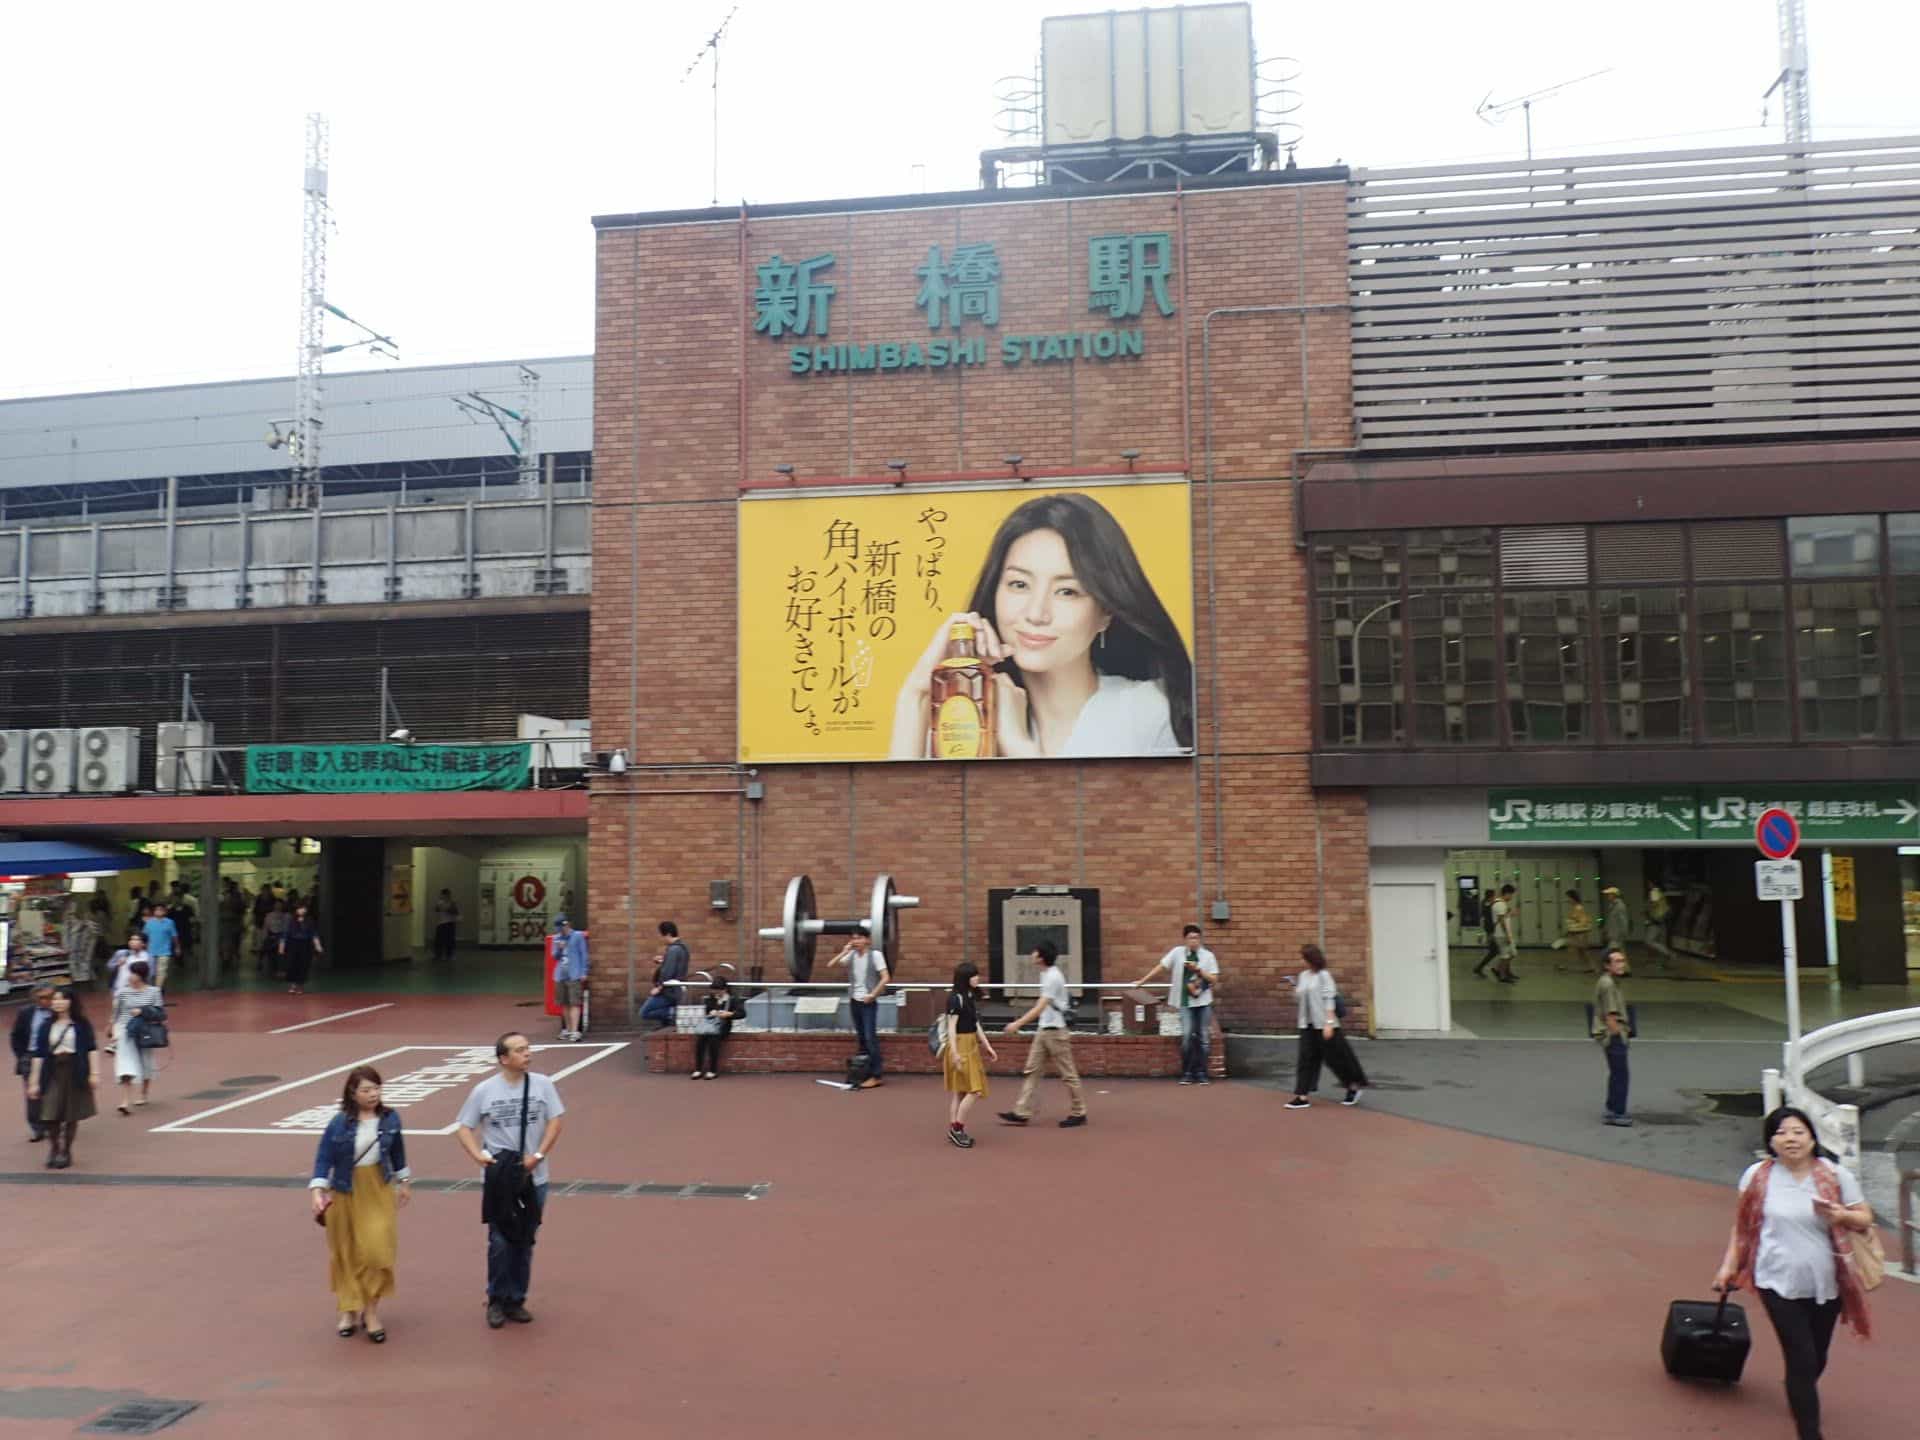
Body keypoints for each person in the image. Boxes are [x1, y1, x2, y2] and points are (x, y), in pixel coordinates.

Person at [889, 491, 1194, 759]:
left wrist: (1018, 746)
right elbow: (901, 820)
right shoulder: (962, 721)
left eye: (1067, 591)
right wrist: (915, 694)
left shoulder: (1146, 713)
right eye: (1019, 584)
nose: (1036, 613)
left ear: (1106, 613)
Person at [1712, 1106, 1875, 1440]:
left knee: (1817, 1357)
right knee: (1800, 1357)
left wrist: (1841, 1215)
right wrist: (1729, 1267)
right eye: (1781, 1133)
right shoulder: (1757, 1176)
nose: (1790, 1139)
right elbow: (1742, 1228)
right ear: (1771, 1141)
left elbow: (1865, 1219)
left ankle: (1800, 1393)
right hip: (1775, 1280)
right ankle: (1809, 1431)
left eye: (1798, 1132)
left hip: (1826, 1283)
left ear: (1813, 1138)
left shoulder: (1833, 1175)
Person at [454, 1033, 567, 1330]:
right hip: (500, 1178)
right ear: (504, 1059)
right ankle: (496, 1298)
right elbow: (464, 1127)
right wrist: (479, 1156)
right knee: (499, 1240)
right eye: (519, 1050)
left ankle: (517, 1298)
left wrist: (539, 1154)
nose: (527, 1054)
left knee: (526, 1238)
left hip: (535, 1177)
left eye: (528, 1048)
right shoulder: (484, 1090)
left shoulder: (543, 1085)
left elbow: (555, 1121)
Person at [309, 1065, 411, 1342]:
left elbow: (398, 1151)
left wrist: (404, 1181)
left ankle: (371, 1309)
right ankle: (349, 1309)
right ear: (352, 1093)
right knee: (346, 1251)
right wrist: (318, 1190)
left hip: (377, 1187)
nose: (373, 1094)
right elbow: (323, 1158)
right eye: (366, 1090)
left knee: (378, 1250)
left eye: (377, 1088)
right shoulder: (339, 1123)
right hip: (344, 1190)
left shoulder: (390, 1119)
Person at [997, 941, 1087, 1128]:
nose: (1032, 954)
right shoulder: (1046, 974)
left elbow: (1040, 1006)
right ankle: (1021, 1112)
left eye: (1035, 952)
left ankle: (1079, 1112)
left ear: (1041, 957)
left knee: (1068, 1074)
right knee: (1032, 1071)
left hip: (1055, 1032)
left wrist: (1017, 1024)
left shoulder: (1053, 977)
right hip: (1044, 1030)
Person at [1133, 923, 1221, 1084]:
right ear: (1185, 940)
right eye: (1190, 938)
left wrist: (1198, 970)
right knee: (1187, 1035)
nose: (1193, 941)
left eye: (1196, 938)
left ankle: (1201, 1073)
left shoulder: (1208, 956)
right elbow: (1161, 966)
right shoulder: (1177, 953)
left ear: (1200, 939)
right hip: (1184, 1003)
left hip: (1203, 1002)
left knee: (1204, 1037)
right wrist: (1143, 981)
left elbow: (1214, 979)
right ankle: (1187, 1072)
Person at [1284, 944, 1368, 1110]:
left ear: (1311, 959)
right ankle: (1302, 1096)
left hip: (1325, 1025)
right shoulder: (1303, 975)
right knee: (1306, 1059)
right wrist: (1295, 988)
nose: (1301, 961)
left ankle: (1353, 1086)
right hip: (1307, 1024)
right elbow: (1300, 998)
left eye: (1303, 958)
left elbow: (1329, 999)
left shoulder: (1324, 976)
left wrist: (1329, 1023)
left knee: (1337, 1059)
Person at [26, 987, 99, 1170]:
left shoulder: (81, 1024)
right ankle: (54, 1148)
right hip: (52, 1071)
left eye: (62, 999)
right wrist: (34, 1081)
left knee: (71, 1114)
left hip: (75, 1070)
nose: (58, 1002)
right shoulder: (46, 1025)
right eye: (55, 999)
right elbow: (39, 1055)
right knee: (50, 1113)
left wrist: (94, 1073)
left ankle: (66, 1151)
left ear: (71, 1002)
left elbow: (91, 1049)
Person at [941, 962, 997, 1147]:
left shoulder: (968, 996)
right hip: (961, 1045)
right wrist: (955, 1053)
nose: (977, 978)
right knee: (975, 1090)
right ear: (966, 978)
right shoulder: (956, 999)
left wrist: (987, 1045)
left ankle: (954, 1129)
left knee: (960, 1092)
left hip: (970, 1043)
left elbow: (975, 1024)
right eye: (974, 975)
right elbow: (951, 1027)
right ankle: (957, 1129)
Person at [830, 929, 889, 1089]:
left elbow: (885, 977)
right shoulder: (852, 956)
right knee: (862, 1038)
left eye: (860, 938)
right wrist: (844, 951)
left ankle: (877, 1075)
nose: (856, 941)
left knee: (870, 1038)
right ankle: (864, 1072)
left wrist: (873, 994)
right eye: (853, 938)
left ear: (868, 940)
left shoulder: (875, 955)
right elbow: (831, 964)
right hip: (854, 1000)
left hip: (868, 1002)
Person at [110, 961, 166, 1115]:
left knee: (145, 1061)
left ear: (141, 976)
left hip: (145, 1030)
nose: (130, 976)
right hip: (125, 1029)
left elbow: (161, 1013)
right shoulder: (122, 992)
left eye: (133, 973)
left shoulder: (154, 992)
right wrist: (113, 1030)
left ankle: (143, 1094)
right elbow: (116, 1012)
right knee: (125, 1063)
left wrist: (142, 1011)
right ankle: (125, 1100)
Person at [10, 985, 55, 1143]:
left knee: (53, 1090)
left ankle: (54, 1123)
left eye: (48, 997)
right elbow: (16, 1035)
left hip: (53, 1055)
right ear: (35, 999)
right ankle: (37, 1128)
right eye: (41, 998)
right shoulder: (25, 1012)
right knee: (32, 1093)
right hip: (30, 1055)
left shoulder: (59, 1011)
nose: (45, 1001)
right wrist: (22, 1055)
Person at [1592, 949, 1632, 1127]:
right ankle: (1617, 1112)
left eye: (1622, 960)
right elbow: (1610, 1016)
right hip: (1613, 1034)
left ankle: (1611, 1109)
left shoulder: (1610, 982)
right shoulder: (1608, 985)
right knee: (1621, 1075)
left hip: (1610, 1034)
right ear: (1607, 965)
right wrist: (1619, 1037)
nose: (1621, 964)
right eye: (1616, 961)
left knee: (1616, 1073)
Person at [693, 977, 746, 1079]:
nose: (716, 992)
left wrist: (729, 1014)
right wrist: (712, 1012)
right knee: (700, 1040)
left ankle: (712, 1070)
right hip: (710, 1025)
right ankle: (698, 1069)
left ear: (724, 989)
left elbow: (742, 1013)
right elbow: (707, 1012)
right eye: (714, 990)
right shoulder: (710, 999)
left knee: (714, 1040)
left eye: (718, 990)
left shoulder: (732, 1000)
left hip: (723, 1026)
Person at [640, 921, 690, 1028]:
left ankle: (674, 1013)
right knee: (665, 1024)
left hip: (668, 991)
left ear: (667, 934)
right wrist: (664, 961)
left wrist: (659, 988)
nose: (661, 939)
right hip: (676, 990)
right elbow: (677, 966)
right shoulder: (683, 948)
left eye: (662, 936)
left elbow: (668, 973)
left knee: (644, 1012)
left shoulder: (673, 950)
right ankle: (668, 1020)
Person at [550, 916, 588, 1042]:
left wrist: (584, 972)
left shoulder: (577, 936)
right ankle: (567, 1029)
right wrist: (559, 949)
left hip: (574, 974)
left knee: (574, 1003)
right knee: (564, 1004)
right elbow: (555, 957)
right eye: (559, 928)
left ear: (567, 925)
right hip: (560, 974)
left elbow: (584, 955)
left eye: (563, 927)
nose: (561, 930)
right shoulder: (556, 938)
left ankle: (575, 1031)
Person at [280, 904, 323, 995]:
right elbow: (285, 933)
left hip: (305, 945)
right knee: (292, 964)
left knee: (303, 964)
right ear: (296, 910)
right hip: (293, 944)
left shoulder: (309, 921)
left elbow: (314, 934)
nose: (301, 910)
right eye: (299, 909)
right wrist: (282, 946)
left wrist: (318, 946)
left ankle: (300, 986)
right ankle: (293, 986)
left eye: (303, 909)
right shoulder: (291, 920)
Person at [143, 902, 179, 991]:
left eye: (161, 910)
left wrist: (177, 947)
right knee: (150, 973)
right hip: (150, 951)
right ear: (154, 912)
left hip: (164, 951)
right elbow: (144, 937)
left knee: (161, 973)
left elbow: (174, 936)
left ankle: (157, 992)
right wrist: (144, 949)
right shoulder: (149, 923)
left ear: (165, 912)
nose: (159, 911)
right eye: (157, 910)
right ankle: (150, 991)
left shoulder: (170, 922)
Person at [218, 879, 247, 977]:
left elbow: (241, 909)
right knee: (227, 943)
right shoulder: (223, 896)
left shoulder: (236, 897)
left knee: (229, 942)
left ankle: (227, 959)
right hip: (227, 923)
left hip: (231, 923)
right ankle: (227, 959)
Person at [1562, 889, 1593, 974]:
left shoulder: (1579, 908)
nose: (1567, 900)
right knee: (1581, 951)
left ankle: (1565, 965)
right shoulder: (1575, 907)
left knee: (1577, 950)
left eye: (1568, 897)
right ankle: (1590, 967)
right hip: (1577, 933)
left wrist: (1572, 927)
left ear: (1573, 898)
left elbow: (1583, 922)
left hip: (1580, 934)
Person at [1601, 885, 1631, 966]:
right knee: (1620, 952)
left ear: (1614, 895)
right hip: (1614, 934)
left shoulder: (1619, 906)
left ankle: (1613, 969)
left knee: (1608, 952)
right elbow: (1610, 920)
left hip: (1617, 935)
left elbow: (1623, 921)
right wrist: (1606, 930)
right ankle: (1625, 970)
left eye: (1609, 894)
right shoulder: (1612, 905)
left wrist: (1624, 933)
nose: (1607, 896)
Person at [261, 899, 291, 976]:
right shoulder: (269, 915)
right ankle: (272, 970)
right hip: (271, 937)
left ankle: (281, 970)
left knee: (281, 954)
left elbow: (287, 929)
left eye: (280, 904)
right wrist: (264, 938)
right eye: (276, 904)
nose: (278, 906)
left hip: (282, 938)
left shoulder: (287, 916)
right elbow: (266, 928)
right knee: (270, 953)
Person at [432, 889, 460, 964]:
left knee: (450, 940)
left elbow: (456, 912)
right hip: (441, 923)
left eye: (446, 895)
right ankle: (438, 955)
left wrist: (448, 908)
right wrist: (439, 906)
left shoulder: (452, 902)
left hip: (450, 923)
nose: (444, 896)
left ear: (448, 895)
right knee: (438, 940)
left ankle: (449, 955)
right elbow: (436, 909)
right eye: (443, 895)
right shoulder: (439, 902)